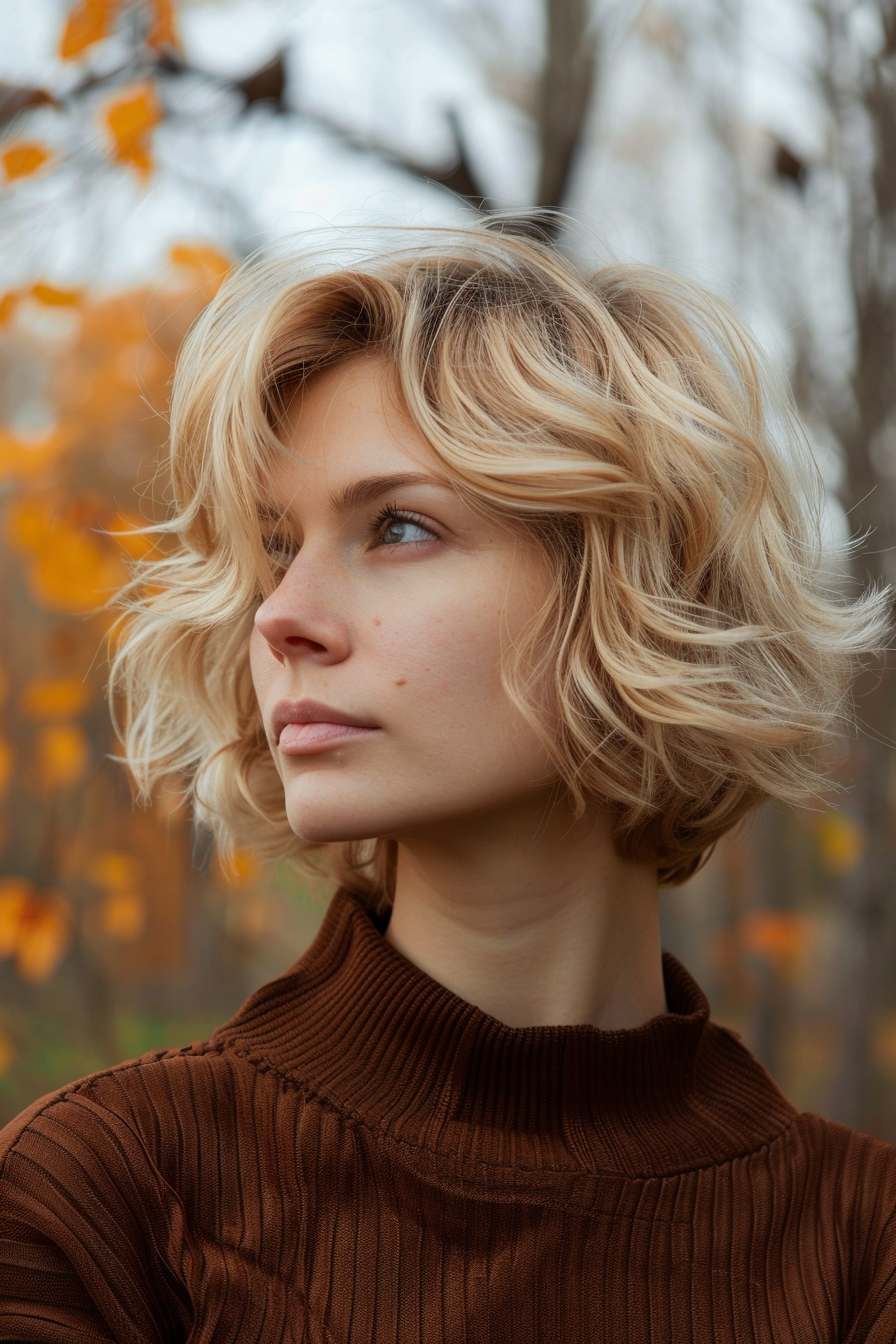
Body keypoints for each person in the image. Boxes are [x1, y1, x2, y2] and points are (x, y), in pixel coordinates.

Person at [0, 219, 894, 1343]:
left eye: (399, 527)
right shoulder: (106, 1201)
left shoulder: (858, 1249)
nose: (281, 616)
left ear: (632, 586)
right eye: (277, 544)